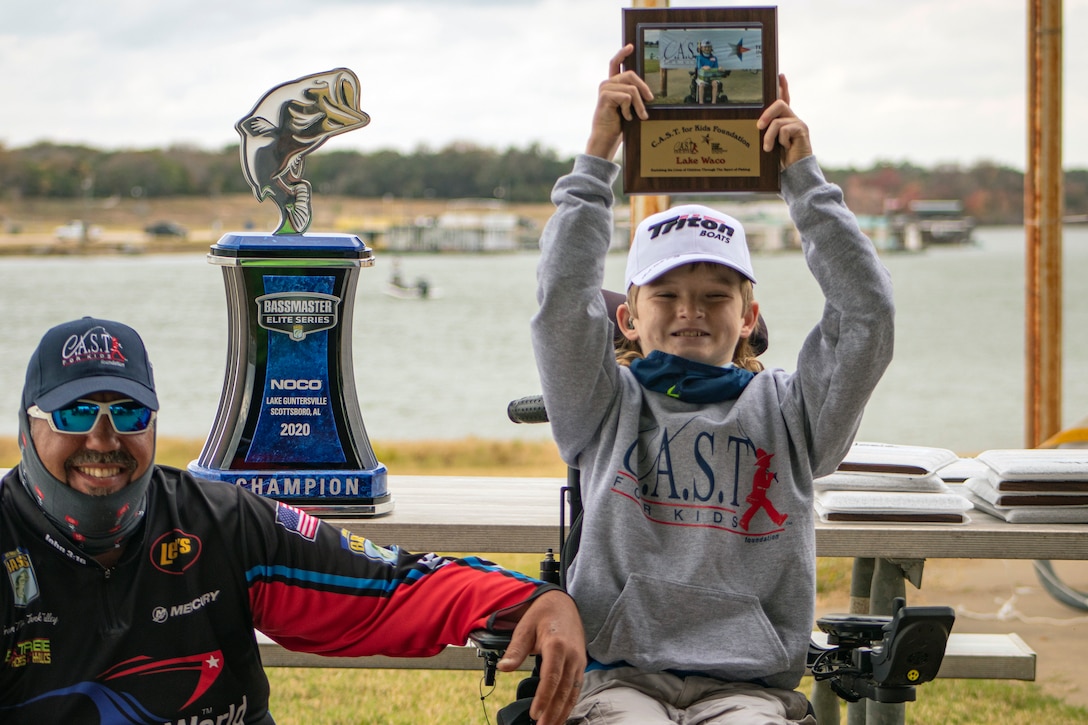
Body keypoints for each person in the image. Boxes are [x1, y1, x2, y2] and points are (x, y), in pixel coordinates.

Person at [530, 45, 894, 723]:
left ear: (749, 315)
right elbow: (559, 304)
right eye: (665, 293)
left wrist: (804, 182)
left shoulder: (791, 414)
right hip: (619, 678)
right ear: (627, 317)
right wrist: (598, 153)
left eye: (714, 294)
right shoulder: (600, 405)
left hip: (751, 689)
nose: (691, 311)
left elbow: (867, 317)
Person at [0, 317, 586, 724]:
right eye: (75, 413)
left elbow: (387, 588)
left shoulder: (219, 521)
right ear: (29, 429)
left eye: (128, 412)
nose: (103, 439)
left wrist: (530, 601)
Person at [693, 40, 727, 104]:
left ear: (711, 48)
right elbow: (699, 67)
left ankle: (713, 102)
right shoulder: (699, 57)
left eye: (708, 47)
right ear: (702, 48)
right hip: (702, 77)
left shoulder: (714, 58)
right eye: (705, 47)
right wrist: (703, 67)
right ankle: (701, 103)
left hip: (712, 77)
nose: (707, 49)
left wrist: (719, 69)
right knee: (701, 85)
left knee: (715, 83)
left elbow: (716, 68)